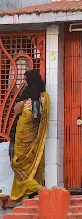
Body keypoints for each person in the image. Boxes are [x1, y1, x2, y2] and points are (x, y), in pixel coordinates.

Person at [8, 70, 50, 206]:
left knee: (17, 165)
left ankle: (38, 189)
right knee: (23, 166)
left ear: (31, 81)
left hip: (30, 141)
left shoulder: (41, 98)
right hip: (20, 139)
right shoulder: (29, 97)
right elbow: (17, 111)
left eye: (26, 80)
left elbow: (37, 117)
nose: (24, 82)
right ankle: (24, 197)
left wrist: (27, 101)